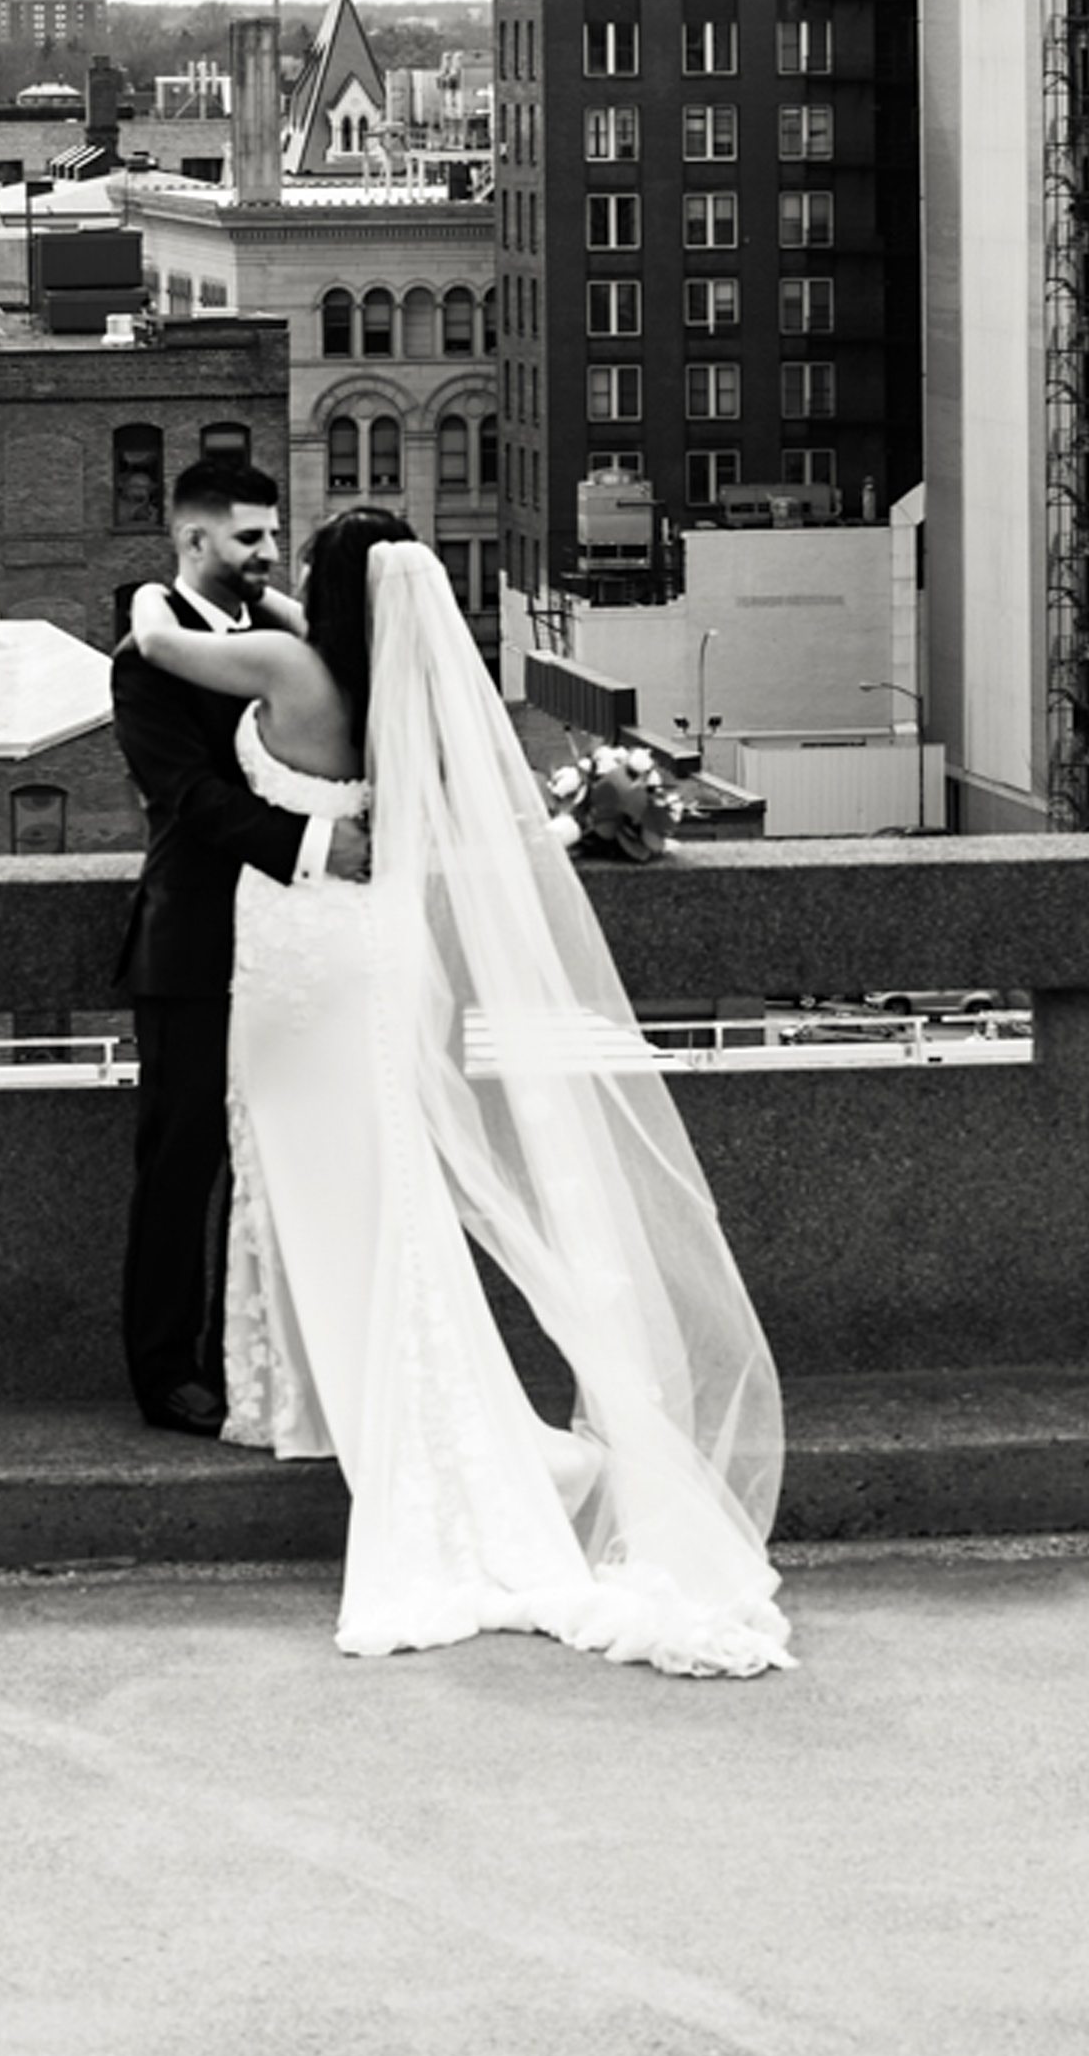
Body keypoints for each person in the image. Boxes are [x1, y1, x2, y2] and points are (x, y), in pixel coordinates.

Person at [123, 507, 791, 1673]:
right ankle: (328, 1398)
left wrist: (158, 583)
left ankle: (334, 1404)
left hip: (301, 962)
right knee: (378, 1177)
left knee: (314, 1170)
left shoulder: (288, 664)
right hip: (375, 955)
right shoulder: (400, 689)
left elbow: (157, 646)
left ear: (329, 591)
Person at [108, 456, 370, 1434]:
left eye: (274, 535)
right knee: (183, 1162)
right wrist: (318, 844)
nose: (267, 553)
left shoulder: (294, 636)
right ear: (193, 541)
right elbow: (189, 796)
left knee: (281, 1155)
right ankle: (163, 1371)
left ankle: (257, 1360)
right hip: (196, 945)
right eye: (249, 537)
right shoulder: (145, 659)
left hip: (300, 951)